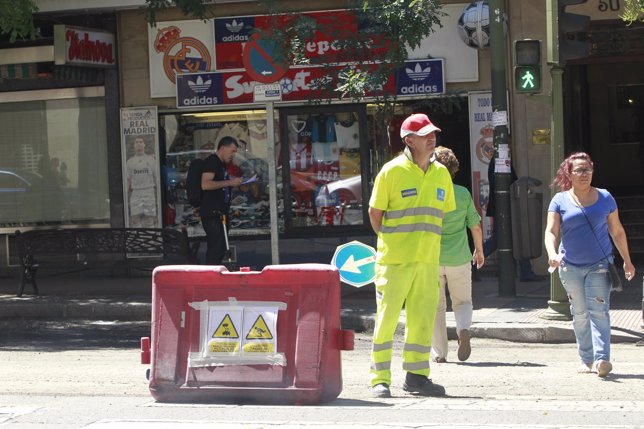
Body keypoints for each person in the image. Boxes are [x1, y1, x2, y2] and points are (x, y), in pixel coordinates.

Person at [368, 113, 455, 398]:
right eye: (425, 134)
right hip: (394, 261)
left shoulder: (442, 173)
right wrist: (394, 243)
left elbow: (441, 215)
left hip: (428, 262)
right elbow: (375, 214)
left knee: (422, 321)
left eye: (433, 133)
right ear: (409, 140)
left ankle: (417, 377)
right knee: (387, 320)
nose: (432, 138)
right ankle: (379, 379)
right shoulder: (391, 172)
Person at [544, 152, 635, 377]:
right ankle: (586, 358)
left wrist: (627, 261)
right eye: (579, 170)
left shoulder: (605, 197)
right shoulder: (559, 200)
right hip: (569, 265)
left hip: (600, 264)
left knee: (599, 311)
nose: (584, 174)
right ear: (570, 173)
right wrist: (552, 253)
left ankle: (602, 359)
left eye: (588, 169)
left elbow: (617, 231)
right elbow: (551, 231)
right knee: (581, 313)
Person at [431, 146, 484, 364]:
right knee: (463, 301)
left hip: (431, 258)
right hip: (459, 258)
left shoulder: (427, 192)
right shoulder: (462, 193)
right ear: (453, 170)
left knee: (435, 306)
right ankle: (463, 329)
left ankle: (440, 353)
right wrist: (479, 250)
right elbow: (475, 225)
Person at [483, 150, 544, 281]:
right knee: (504, 238)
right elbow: (502, 184)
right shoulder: (499, 162)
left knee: (517, 236)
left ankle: (526, 271)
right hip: (504, 207)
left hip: (506, 206)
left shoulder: (502, 162)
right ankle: (473, 261)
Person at [200, 136, 243, 265]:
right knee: (215, 249)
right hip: (212, 214)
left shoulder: (222, 164)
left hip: (220, 213)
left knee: (221, 248)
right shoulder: (212, 161)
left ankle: (215, 275)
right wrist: (230, 182)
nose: (233, 155)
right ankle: (211, 278)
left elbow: (220, 185)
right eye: (232, 151)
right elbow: (205, 184)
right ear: (223, 148)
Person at [126, 136, 158, 228]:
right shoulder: (130, 162)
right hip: (136, 192)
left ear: (144, 144)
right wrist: (125, 194)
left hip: (149, 191)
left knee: (149, 219)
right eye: (136, 142)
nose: (139, 144)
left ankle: (150, 241)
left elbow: (156, 178)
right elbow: (127, 180)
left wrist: (158, 194)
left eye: (140, 142)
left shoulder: (151, 160)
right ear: (134, 145)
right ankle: (138, 241)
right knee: (135, 219)